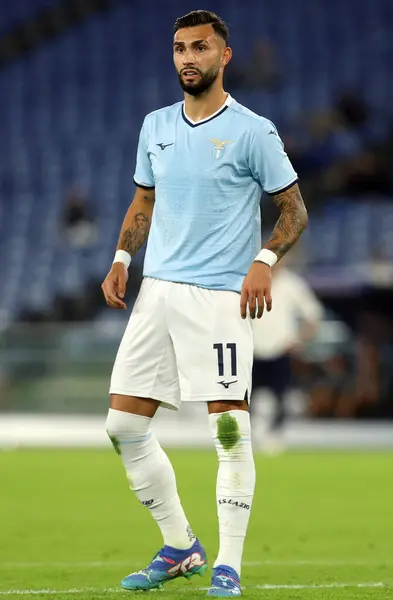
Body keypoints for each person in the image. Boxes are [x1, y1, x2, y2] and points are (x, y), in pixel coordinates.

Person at [101, 10, 308, 597]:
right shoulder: (155, 125)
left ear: (224, 56)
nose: (187, 57)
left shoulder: (253, 130)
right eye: (178, 48)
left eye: (199, 47)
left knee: (229, 433)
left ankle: (229, 565)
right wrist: (121, 260)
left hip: (218, 297)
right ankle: (180, 545)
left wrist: (263, 263)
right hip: (157, 292)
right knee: (123, 426)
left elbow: (294, 211)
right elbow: (143, 201)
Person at [251, 259, 323, 454]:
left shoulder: (293, 285)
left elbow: (314, 315)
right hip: (252, 350)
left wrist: (299, 339)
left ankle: (275, 437)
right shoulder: (249, 280)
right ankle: (247, 437)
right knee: (245, 398)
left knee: (280, 397)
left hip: (280, 350)